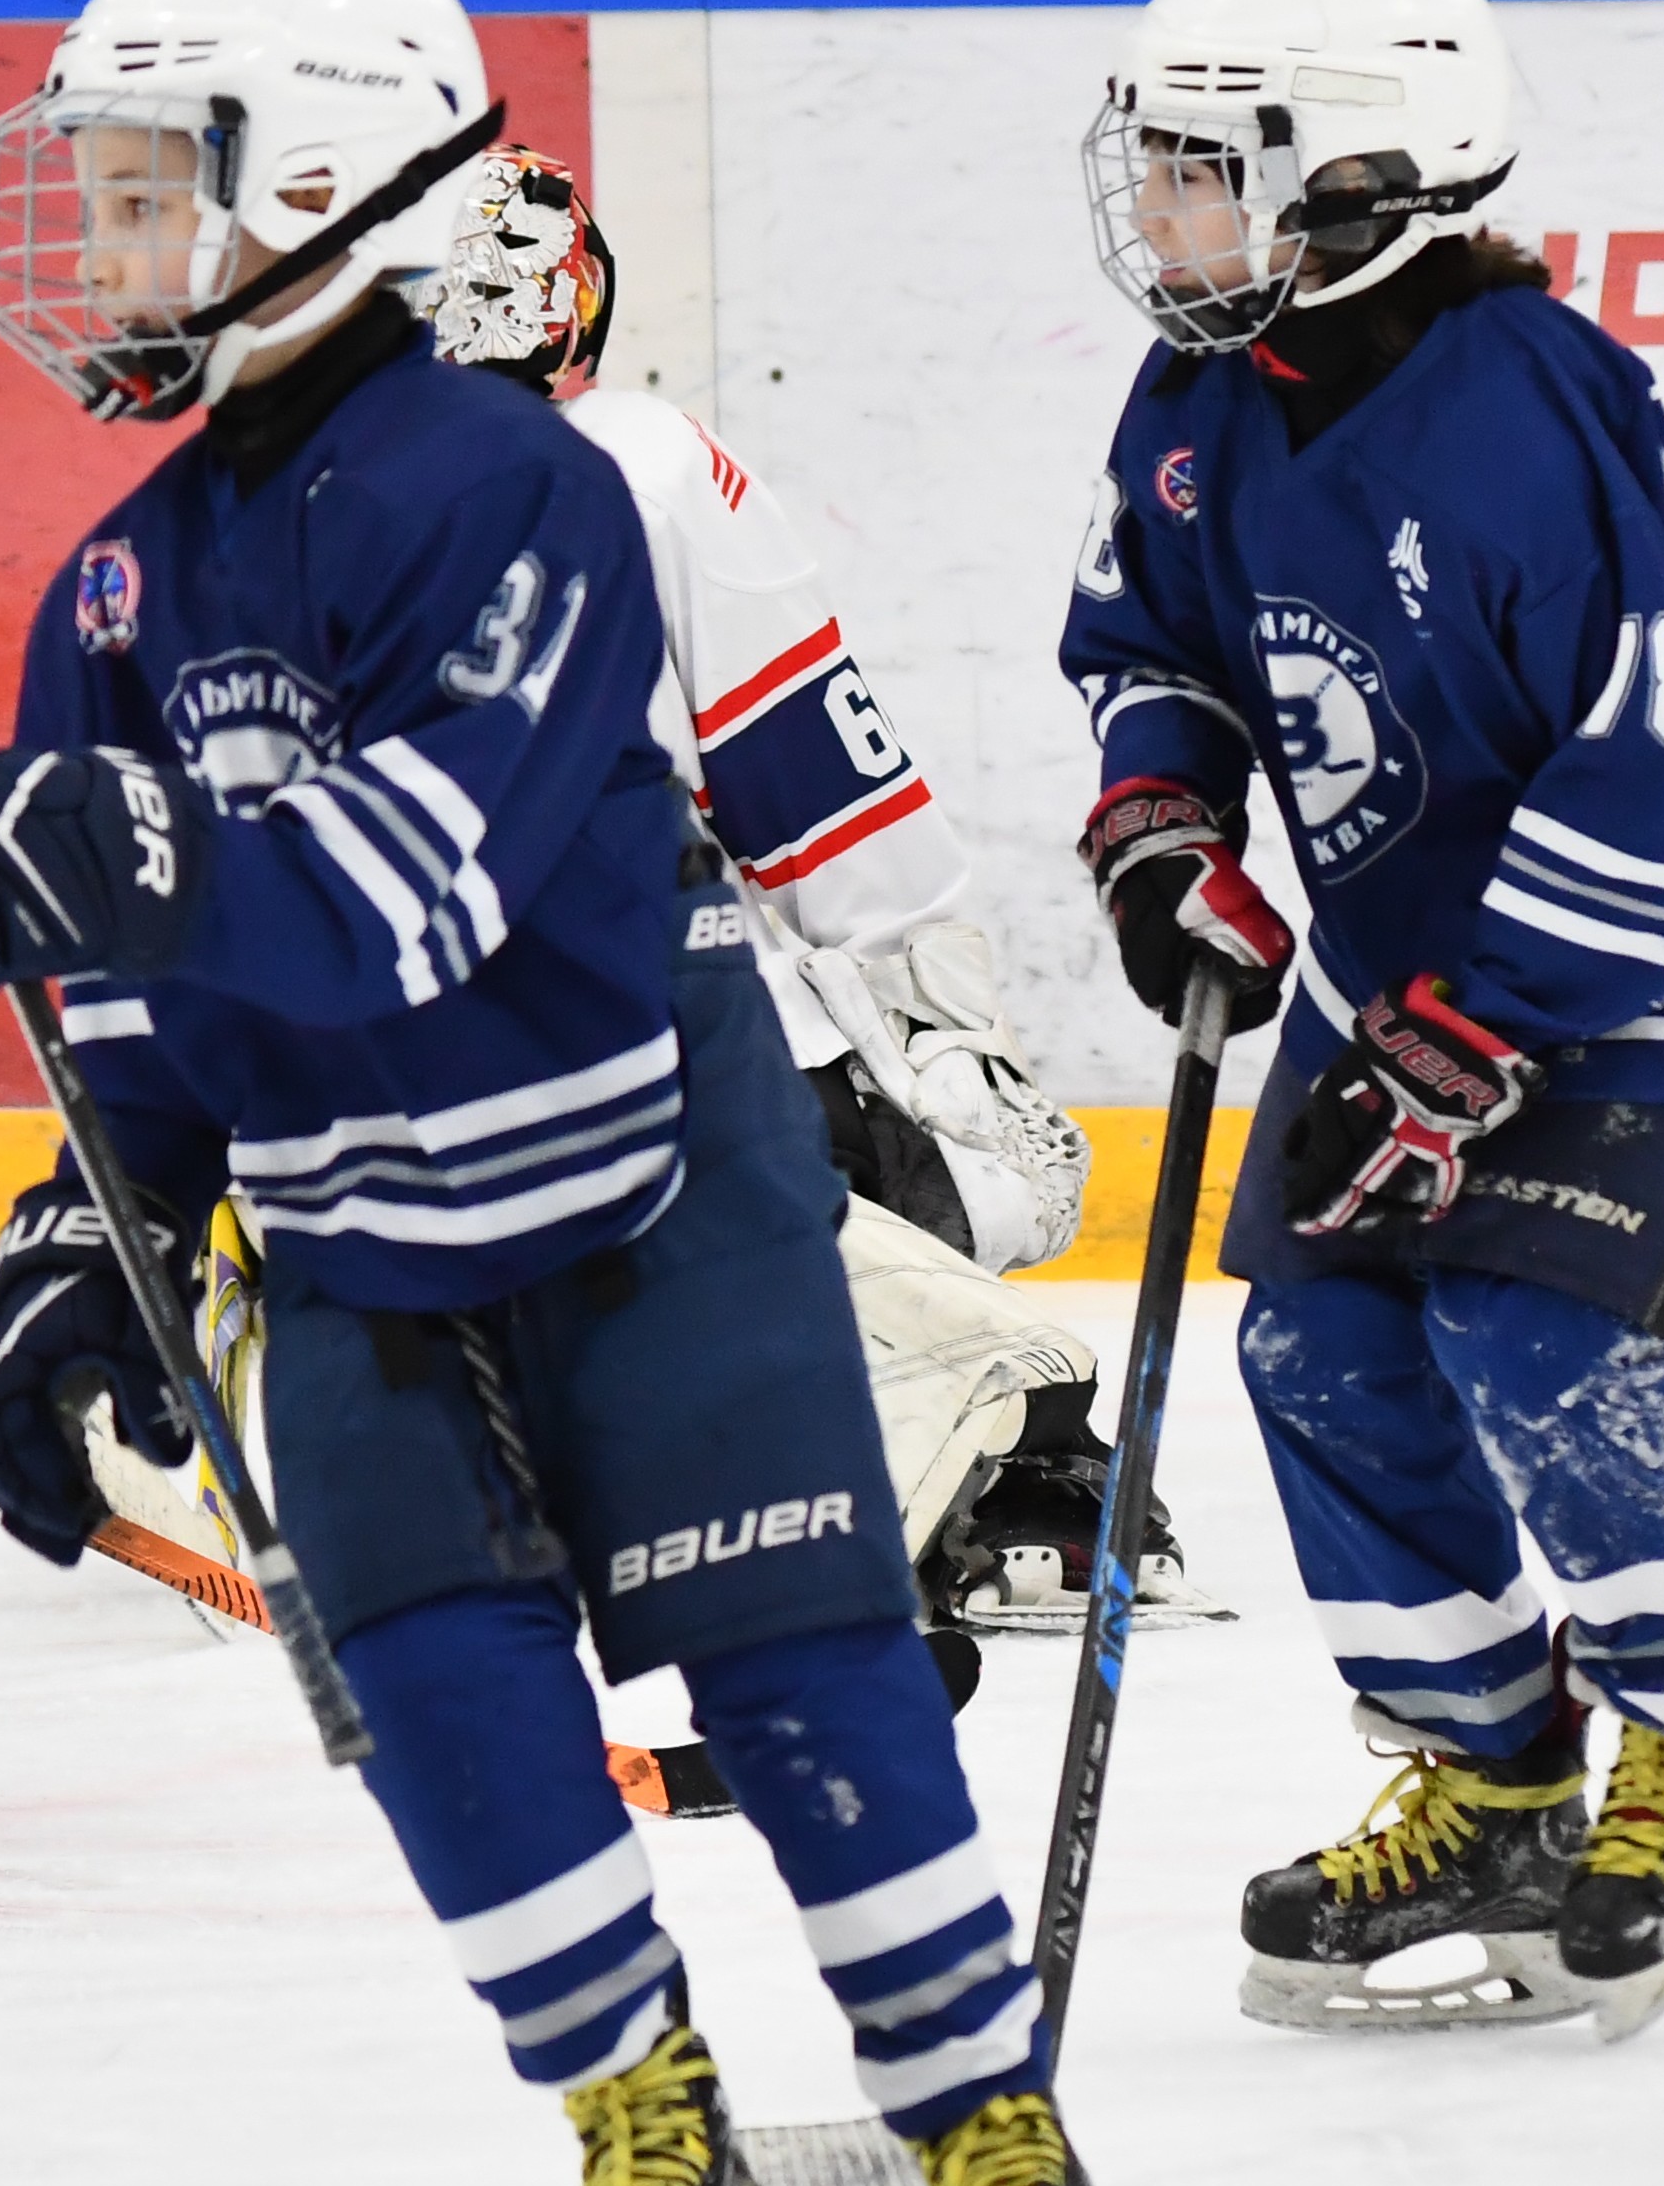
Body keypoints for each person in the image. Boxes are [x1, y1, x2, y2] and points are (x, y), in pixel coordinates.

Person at [0, 0, 1111, 2186]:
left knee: (796, 1649)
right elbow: (144, 997)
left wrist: (134, 860)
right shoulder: (115, 576)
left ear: (320, 185)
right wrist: (83, 1193)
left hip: (656, 1186)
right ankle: (643, 2108)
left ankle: (970, 2092)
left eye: (149, 186)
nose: (97, 237)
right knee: (439, 1696)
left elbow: (413, 892)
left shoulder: (518, 487)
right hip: (352, 1234)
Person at [1060, 0, 1664, 2039]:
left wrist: (1473, 1040)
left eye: (1207, 171)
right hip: (1403, 952)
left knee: (1519, 1323)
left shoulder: (1530, 416)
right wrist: (1162, 832)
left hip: (1639, 950)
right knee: (1313, 1334)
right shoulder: (1208, 390)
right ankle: (1491, 1781)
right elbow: (1157, 646)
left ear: (1354, 177)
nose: (1162, 214)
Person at [413, 145, 1221, 1637]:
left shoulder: (284, 525)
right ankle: (986, 1423)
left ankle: (958, 1421)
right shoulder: (619, 465)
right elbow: (816, 782)